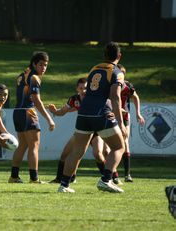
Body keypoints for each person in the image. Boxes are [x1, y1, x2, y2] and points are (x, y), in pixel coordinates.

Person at [58, 42, 127, 193]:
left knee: (77, 151)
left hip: (83, 112)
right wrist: (120, 122)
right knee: (119, 146)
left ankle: (64, 185)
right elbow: (115, 96)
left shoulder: (94, 68)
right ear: (119, 56)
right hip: (100, 112)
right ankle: (106, 180)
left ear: (104, 55)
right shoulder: (117, 72)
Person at [48, 78, 109, 184]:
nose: (83, 90)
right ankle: (60, 178)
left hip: (95, 131)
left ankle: (109, 178)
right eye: (81, 88)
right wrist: (55, 111)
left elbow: (107, 107)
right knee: (65, 154)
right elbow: (62, 112)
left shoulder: (94, 98)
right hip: (82, 132)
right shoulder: (74, 99)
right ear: (77, 89)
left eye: (86, 88)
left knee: (98, 154)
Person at [9, 51, 55, 184]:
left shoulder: (23, 74)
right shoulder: (34, 78)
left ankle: (14, 176)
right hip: (28, 112)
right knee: (34, 145)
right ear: (34, 64)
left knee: (22, 145)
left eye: (46, 65)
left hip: (17, 112)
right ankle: (34, 178)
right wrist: (49, 119)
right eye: (41, 64)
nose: (44, 68)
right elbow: (36, 100)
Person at [117, 64, 145, 182]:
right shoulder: (109, 86)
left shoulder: (127, 86)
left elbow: (135, 97)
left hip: (124, 116)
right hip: (111, 115)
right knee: (109, 146)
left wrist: (138, 113)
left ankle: (127, 175)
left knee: (125, 142)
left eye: (121, 75)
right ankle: (113, 174)